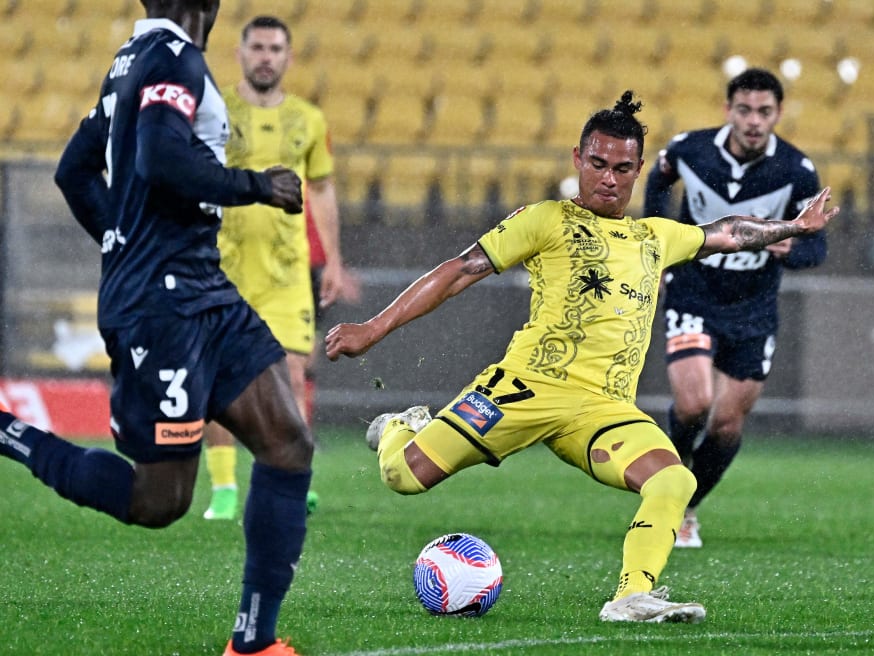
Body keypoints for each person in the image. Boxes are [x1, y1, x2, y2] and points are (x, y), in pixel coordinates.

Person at [324, 91, 838, 622]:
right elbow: (457, 271)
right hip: (524, 387)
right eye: (597, 164)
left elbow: (728, 232)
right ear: (577, 160)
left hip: (602, 409)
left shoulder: (655, 236)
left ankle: (631, 595)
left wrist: (795, 228)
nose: (608, 178)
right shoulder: (546, 219)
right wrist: (373, 327)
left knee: (675, 480)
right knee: (404, 476)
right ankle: (397, 428)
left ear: (639, 171)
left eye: (621, 167)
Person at [19, 2, 314, 655]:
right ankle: (11, 433)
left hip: (201, 288)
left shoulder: (130, 63)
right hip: (163, 308)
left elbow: (74, 170)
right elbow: (158, 158)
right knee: (160, 501)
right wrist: (255, 185)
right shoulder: (173, 58)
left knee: (288, 445)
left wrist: (119, 245)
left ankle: (253, 643)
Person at [642, 68, 826, 549]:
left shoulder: (796, 171)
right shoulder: (690, 149)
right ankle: (664, 491)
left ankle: (687, 505)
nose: (753, 121)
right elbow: (658, 184)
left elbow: (816, 246)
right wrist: (658, 245)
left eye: (764, 112)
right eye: (744, 110)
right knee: (694, 403)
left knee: (726, 423)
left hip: (753, 308)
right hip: (694, 291)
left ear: (778, 115)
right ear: (728, 110)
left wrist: (795, 249)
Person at [201, 15, 344, 521]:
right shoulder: (212, 107)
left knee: (288, 375)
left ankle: (290, 475)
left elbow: (322, 189)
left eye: (275, 48)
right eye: (257, 47)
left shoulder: (309, 119)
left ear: (288, 57)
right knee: (218, 378)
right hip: (223, 267)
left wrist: (333, 260)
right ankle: (223, 488)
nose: (266, 56)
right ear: (240, 53)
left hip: (286, 272)